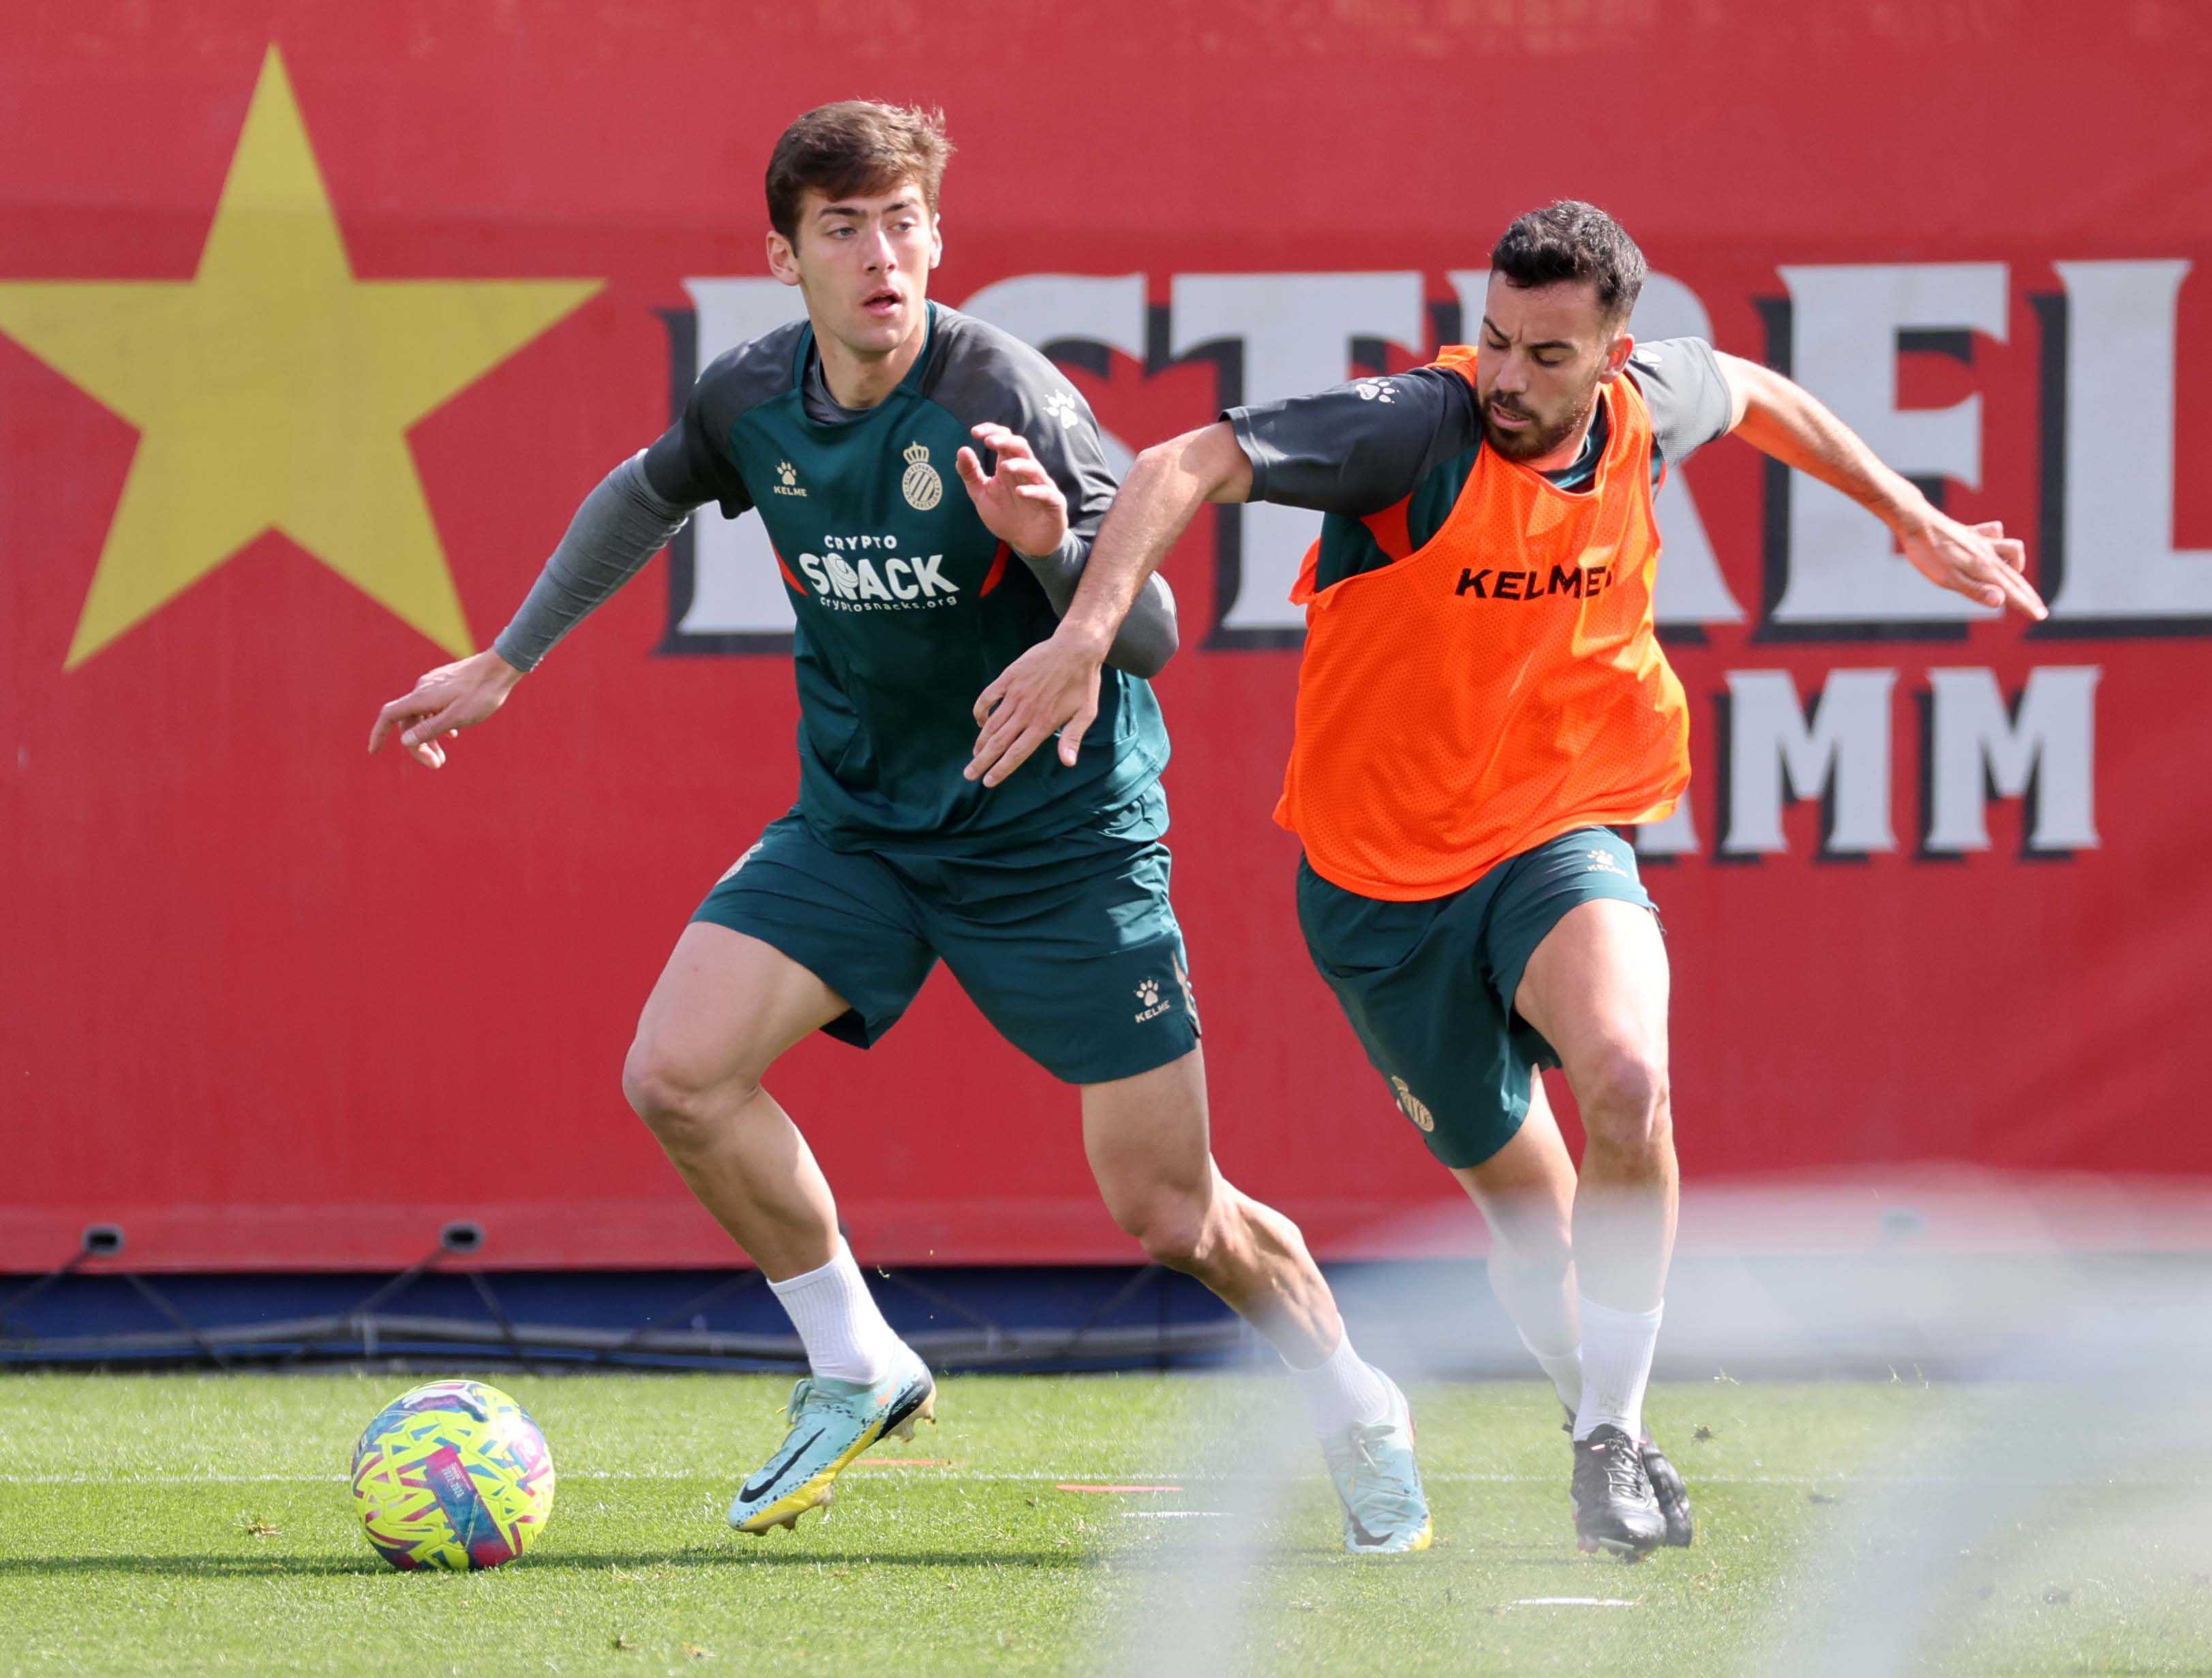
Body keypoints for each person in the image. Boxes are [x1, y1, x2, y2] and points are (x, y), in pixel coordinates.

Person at [367, 102, 1432, 1554]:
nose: (881, 255)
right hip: (862, 824)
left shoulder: (1006, 396)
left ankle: (1355, 1400)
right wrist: (509, 658)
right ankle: (858, 1360)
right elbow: (645, 493)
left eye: (904, 224)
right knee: (678, 1075)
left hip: (1059, 837)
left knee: (1172, 1211)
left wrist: (1049, 550)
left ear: (937, 239)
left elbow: (1155, 633)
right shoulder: (751, 397)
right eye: (844, 229)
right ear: (785, 258)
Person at [963, 199, 2042, 1557]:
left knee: (1628, 1079)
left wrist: (1909, 514)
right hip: (1379, 889)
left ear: (1613, 355)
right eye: (1494, 340)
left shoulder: (1649, 406)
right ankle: (1592, 1406)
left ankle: (1615, 1437)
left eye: (1546, 354)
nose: (1509, 378)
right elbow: (1184, 460)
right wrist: (1085, 631)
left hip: (1560, 824)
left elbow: (1757, 392)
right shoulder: (1414, 429)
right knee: (1535, 1228)